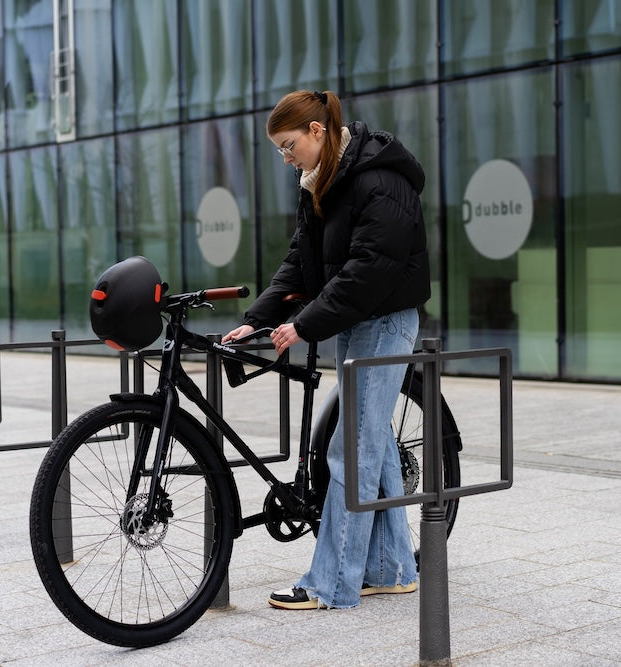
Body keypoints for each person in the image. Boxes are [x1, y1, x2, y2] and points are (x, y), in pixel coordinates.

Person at [222, 90, 431, 610]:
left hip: (384, 322)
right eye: (279, 150)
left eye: (289, 145)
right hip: (355, 323)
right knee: (373, 444)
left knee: (352, 449)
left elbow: (371, 269)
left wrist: (305, 324)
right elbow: (301, 262)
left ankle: (330, 583)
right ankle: (393, 568)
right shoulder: (322, 181)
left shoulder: (381, 178)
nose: (286, 158)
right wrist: (255, 321)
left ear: (318, 131)